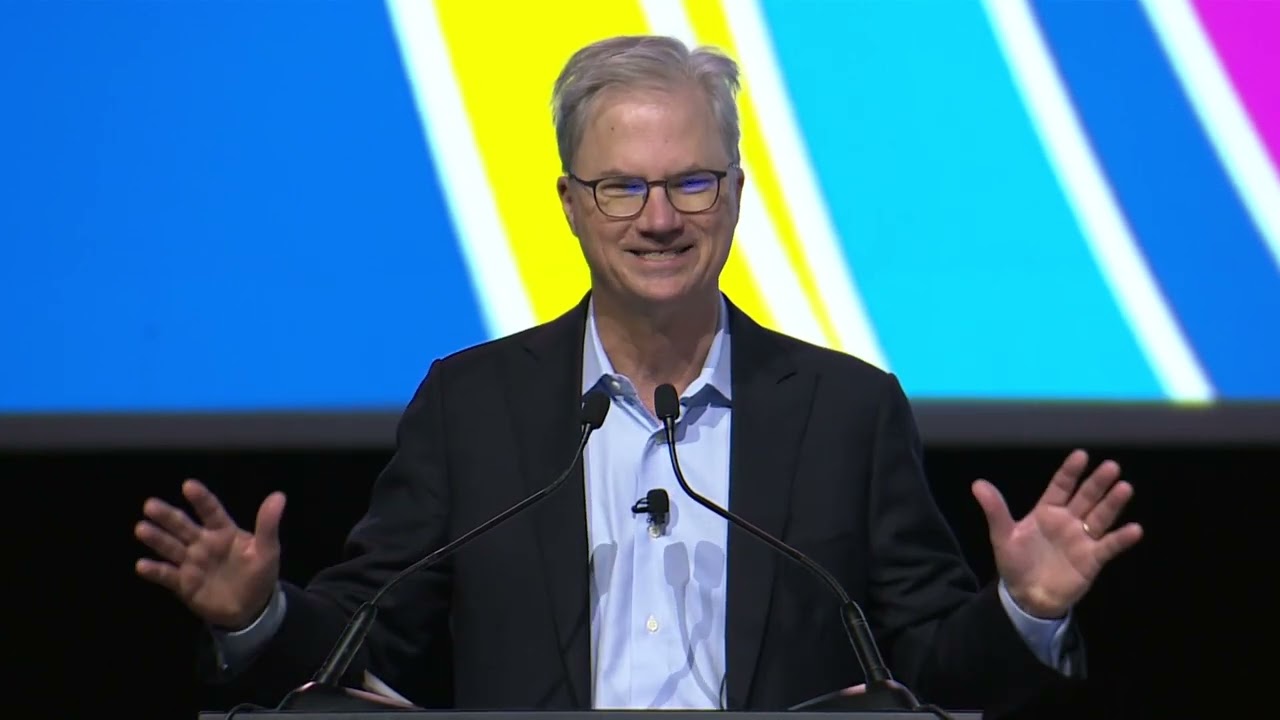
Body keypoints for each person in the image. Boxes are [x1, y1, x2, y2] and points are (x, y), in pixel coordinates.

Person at [134, 35, 1142, 716]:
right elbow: (365, 645)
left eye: (690, 181)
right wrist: (257, 617)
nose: (658, 219)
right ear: (571, 204)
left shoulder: (845, 411)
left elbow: (922, 670)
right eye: (622, 187)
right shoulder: (471, 406)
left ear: (736, 196)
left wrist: (1025, 612)